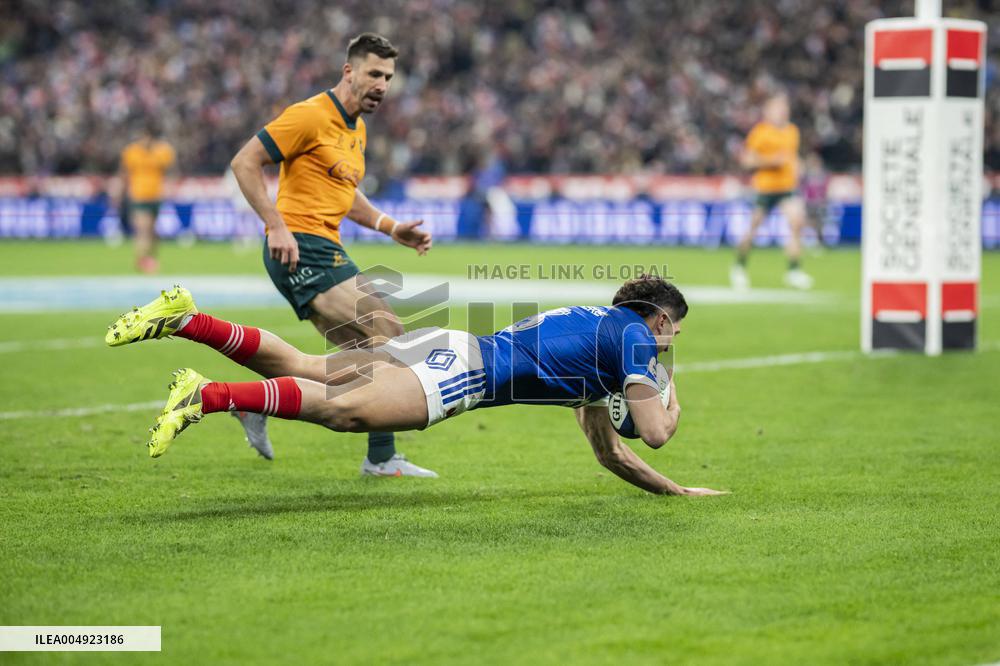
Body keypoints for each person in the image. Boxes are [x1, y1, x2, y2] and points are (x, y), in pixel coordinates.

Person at [104, 276, 726, 497]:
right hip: (465, 373)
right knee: (343, 414)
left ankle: (185, 318)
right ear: (663, 319)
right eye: (675, 334)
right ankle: (206, 395)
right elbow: (654, 434)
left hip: (452, 345)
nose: (672, 344)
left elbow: (613, 452)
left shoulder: (598, 338)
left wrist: (677, 493)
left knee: (306, 367)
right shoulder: (637, 342)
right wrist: (673, 390)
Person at [228, 33, 436, 477]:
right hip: (302, 245)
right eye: (374, 74)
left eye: (389, 77)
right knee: (388, 329)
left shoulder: (355, 128)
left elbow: (346, 192)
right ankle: (382, 458)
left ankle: (257, 402)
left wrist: (389, 226)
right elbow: (245, 161)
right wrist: (276, 225)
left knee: (362, 361)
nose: (382, 84)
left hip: (324, 245)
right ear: (349, 71)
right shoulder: (308, 115)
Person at [730, 94, 814, 291]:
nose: (782, 111)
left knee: (796, 223)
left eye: (784, 107)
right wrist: (771, 161)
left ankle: (793, 271)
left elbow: (791, 157)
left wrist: (798, 166)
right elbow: (747, 161)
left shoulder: (792, 131)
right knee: (753, 229)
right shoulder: (760, 132)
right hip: (765, 188)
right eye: (778, 107)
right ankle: (739, 266)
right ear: (768, 111)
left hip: (787, 187)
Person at [116, 122, 176, 274]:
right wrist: (119, 192)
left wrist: (170, 188)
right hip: (138, 196)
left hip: (155, 196)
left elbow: (170, 171)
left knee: (152, 231)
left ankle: (150, 258)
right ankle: (142, 261)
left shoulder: (162, 151)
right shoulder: (131, 152)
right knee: (143, 229)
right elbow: (124, 173)